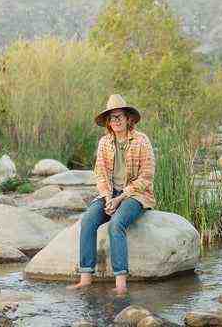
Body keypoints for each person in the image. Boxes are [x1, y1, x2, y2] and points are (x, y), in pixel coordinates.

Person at [67, 94, 156, 294]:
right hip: (111, 194)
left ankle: (121, 284)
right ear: (108, 122)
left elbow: (147, 176)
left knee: (116, 224)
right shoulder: (104, 143)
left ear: (128, 119)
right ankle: (86, 277)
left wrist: (120, 197)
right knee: (88, 220)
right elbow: (100, 174)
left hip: (135, 195)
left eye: (119, 116)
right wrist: (108, 197)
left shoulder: (141, 140)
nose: (116, 121)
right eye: (112, 117)